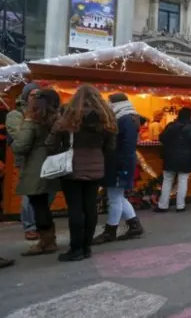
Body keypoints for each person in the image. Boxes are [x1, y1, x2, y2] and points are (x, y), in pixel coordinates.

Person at [46, 84, 117, 261]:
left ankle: (76, 248)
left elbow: (51, 144)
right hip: (96, 168)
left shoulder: (67, 118)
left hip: (72, 168)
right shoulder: (106, 119)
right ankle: (86, 247)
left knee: (76, 209)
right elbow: (111, 147)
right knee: (90, 207)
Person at [11, 88, 61, 256]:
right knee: (44, 204)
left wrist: (15, 141)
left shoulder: (32, 121)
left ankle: (46, 242)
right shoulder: (58, 119)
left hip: (36, 167)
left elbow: (20, 146)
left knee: (38, 205)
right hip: (53, 165)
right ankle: (49, 239)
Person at [93, 93, 144, 244]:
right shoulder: (129, 117)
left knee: (114, 197)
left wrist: (122, 166)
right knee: (118, 196)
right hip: (121, 162)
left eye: (109, 102)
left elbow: (126, 146)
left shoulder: (124, 119)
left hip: (119, 163)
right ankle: (134, 225)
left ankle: (111, 231)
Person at [6, 83, 41, 241]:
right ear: (26, 96)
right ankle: (30, 226)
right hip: (26, 160)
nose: (35, 97)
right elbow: (19, 139)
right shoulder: (16, 114)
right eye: (33, 94)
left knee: (43, 193)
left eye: (38, 95)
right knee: (29, 194)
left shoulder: (42, 112)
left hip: (42, 159)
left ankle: (40, 224)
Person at [155, 107, 191, 212]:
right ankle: (180, 206)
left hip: (170, 157)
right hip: (186, 158)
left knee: (167, 180)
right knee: (183, 180)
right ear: (190, 116)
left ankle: (163, 205)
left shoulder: (171, 126)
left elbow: (161, 138)